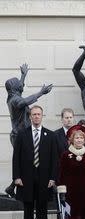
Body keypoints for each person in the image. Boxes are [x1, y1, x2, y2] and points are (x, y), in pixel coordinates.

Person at [12, 105, 57, 219]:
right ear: (30, 116)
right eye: (34, 114)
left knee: (42, 212)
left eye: (39, 114)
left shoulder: (50, 135)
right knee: (28, 213)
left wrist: (53, 178)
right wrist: (16, 177)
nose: (36, 116)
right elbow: (16, 158)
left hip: (45, 180)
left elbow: (54, 160)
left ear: (42, 116)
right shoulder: (22, 134)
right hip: (26, 180)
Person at [4, 64, 53, 198]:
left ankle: (11, 187)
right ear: (14, 88)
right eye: (17, 83)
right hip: (19, 136)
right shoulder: (15, 100)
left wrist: (23, 75)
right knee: (24, 162)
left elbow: (20, 87)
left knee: (28, 161)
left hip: (22, 135)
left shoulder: (14, 94)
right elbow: (23, 102)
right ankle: (15, 186)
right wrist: (40, 93)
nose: (21, 85)